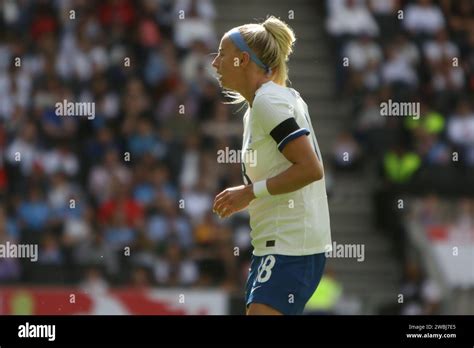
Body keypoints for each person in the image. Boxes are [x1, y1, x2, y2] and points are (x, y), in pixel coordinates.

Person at [211, 16, 332, 315]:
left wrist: (249, 193)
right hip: (275, 245)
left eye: (221, 54)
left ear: (241, 60)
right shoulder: (262, 104)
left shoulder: (268, 102)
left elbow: (310, 168)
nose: (215, 63)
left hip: (290, 246)